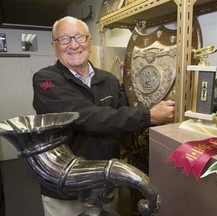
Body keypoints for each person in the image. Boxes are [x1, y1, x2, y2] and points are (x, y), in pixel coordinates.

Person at [32, 16, 175, 216]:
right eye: (64, 39)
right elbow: (85, 117)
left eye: (79, 37)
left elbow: (122, 119)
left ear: (89, 41)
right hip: (64, 188)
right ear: (55, 46)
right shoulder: (45, 80)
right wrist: (149, 116)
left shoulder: (109, 80)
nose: (73, 45)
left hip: (105, 182)